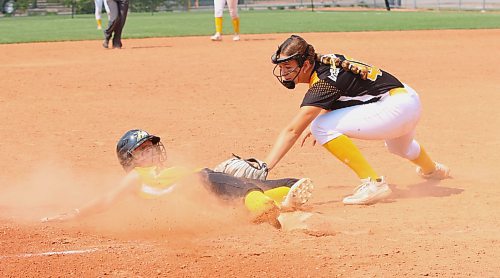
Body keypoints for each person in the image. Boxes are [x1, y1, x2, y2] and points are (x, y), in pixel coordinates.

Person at [263, 34, 450, 206]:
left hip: (395, 109)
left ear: (305, 65)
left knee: (321, 126)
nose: (284, 73)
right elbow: (345, 92)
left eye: (288, 67)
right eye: (281, 68)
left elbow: (292, 131)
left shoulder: (323, 82)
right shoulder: (326, 61)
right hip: (407, 100)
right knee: (400, 148)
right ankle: (432, 170)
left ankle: (373, 183)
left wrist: (265, 167)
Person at [41, 129, 314, 228]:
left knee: (277, 184)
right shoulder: (136, 177)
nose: (149, 153)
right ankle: (272, 209)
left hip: (209, 181)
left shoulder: (167, 168)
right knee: (244, 191)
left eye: (150, 147)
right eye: (141, 150)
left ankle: (284, 198)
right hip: (203, 183)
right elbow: (107, 200)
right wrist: (75, 213)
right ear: (129, 160)